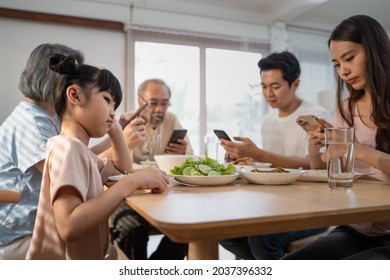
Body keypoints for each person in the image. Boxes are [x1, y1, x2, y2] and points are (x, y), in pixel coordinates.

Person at [25, 54, 168, 260]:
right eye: (107, 100)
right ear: (75, 95)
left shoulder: (81, 151)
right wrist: (134, 180)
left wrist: (117, 130)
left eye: (115, 107)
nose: (112, 112)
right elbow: (69, 226)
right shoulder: (69, 148)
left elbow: (122, 170)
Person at [284, 15, 390, 260]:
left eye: (350, 58)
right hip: (356, 229)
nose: (343, 71)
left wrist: (357, 148)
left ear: (374, 51)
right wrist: (315, 149)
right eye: (336, 63)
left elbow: (356, 151)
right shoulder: (345, 109)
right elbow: (325, 171)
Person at [219, 51, 329, 259]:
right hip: (273, 204)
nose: (268, 93)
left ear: (295, 84)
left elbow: (316, 167)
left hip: (311, 207)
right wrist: (245, 157)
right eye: (263, 86)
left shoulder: (316, 116)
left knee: (260, 238)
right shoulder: (267, 121)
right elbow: (271, 165)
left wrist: (260, 153)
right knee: (224, 233)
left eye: (275, 86)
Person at [0, 44, 84, 260]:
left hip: (32, 223)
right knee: (98, 250)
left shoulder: (47, 117)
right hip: (16, 232)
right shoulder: (32, 122)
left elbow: (75, 160)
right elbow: (64, 171)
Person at [111, 78, 193, 260]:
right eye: (153, 103)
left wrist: (182, 152)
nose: (159, 109)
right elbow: (113, 166)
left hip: (163, 193)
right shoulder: (125, 122)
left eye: (165, 104)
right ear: (141, 101)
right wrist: (125, 144)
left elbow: (190, 158)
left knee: (192, 223)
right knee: (130, 226)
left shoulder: (172, 120)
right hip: (130, 194)